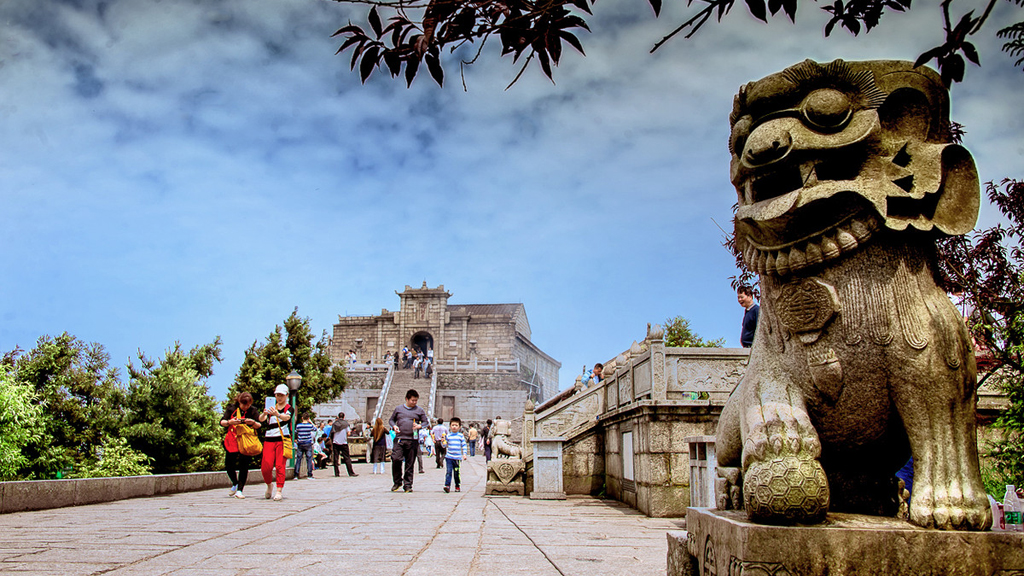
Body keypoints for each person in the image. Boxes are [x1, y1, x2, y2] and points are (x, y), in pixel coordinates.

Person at [220, 392, 261, 499]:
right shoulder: (232, 408)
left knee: (244, 465)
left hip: (246, 440)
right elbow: (222, 422)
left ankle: (240, 490)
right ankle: (235, 482)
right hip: (233, 439)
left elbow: (259, 424)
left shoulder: (253, 410)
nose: (246, 407)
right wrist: (230, 422)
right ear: (239, 402)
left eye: (247, 405)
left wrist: (252, 422)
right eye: (244, 405)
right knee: (229, 464)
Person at [388, 388, 430, 492]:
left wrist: (419, 426)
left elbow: (426, 422)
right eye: (412, 400)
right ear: (406, 399)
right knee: (396, 459)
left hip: (412, 440)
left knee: (410, 463)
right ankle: (397, 482)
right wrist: (394, 426)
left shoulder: (419, 410)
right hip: (399, 439)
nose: (414, 402)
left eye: (416, 400)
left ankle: (408, 484)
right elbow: (391, 420)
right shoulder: (398, 409)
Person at [258, 384, 292, 501]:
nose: (279, 397)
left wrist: (277, 414)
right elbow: (261, 420)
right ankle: (269, 485)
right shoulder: (271, 407)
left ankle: (279, 489)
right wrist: (265, 413)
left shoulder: (288, 408)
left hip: (282, 440)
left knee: (279, 465)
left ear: (287, 395)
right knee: (265, 466)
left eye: (282, 395)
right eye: (277, 395)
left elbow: (287, 418)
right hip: (269, 439)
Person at [443, 417, 467, 493]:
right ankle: (447, 486)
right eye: (453, 425)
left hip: (457, 458)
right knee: (448, 472)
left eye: (456, 425)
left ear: (459, 427)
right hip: (449, 457)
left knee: (456, 473)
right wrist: (443, 441)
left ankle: (457, 485)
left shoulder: (460, 436)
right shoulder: (448, 436)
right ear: (450, 426)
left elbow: (464, 445)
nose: (454, 427)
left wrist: (464, 454)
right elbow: (444, 446)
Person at [331, 412, 358, 477]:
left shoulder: (335, 424)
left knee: (336, 458)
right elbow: (348, 433)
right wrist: (345, 437)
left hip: (335, 442)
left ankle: (337, 473)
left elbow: (332, 432)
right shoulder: (346, 424)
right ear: (344, 417)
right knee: (347, 458)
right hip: (343, 442)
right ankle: (350, 472)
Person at [294, 412, 317, 479]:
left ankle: (296, 474)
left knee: (298, 459)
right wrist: (311, 422)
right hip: (308, 443)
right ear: (308, 418)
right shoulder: (310, 426)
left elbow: (296, 432)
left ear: (302, 418)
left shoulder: (298, 425)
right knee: (309, 459)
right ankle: (309, 474)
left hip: (300, 443)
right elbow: (315, 429)